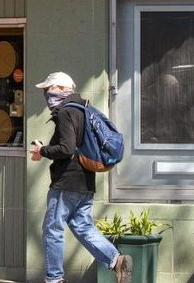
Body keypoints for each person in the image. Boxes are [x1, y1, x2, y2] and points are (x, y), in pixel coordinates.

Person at [29, 71, 132, 283]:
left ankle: (54, 278)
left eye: (48, 89)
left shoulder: (66, 112)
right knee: (83, 227)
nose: (46, 94)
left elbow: (66, 148)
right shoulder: (83, 109)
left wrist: (43, 151)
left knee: (53, 229)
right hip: (85, 181)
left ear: (59, 89)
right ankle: (115, 260)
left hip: (66, 181)